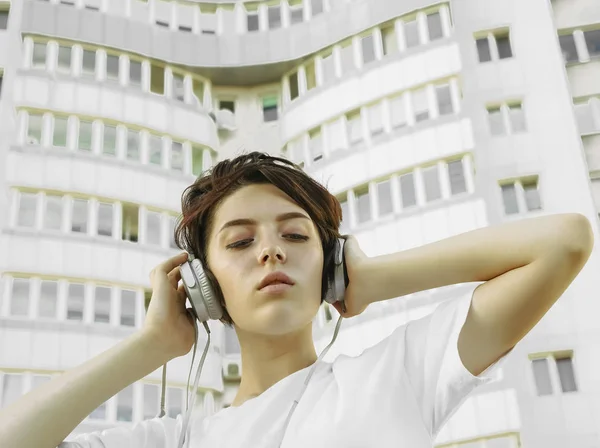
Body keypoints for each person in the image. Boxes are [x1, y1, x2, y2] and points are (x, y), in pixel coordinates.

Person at [0, 152, 593, 448]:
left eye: (294, 235)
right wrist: (150, 345)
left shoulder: (399, 371)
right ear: (205, 288)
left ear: (330, 264)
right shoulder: (174, 440)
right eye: (240, 241)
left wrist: (377, 279)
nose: (270, 253)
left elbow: (564, 241)